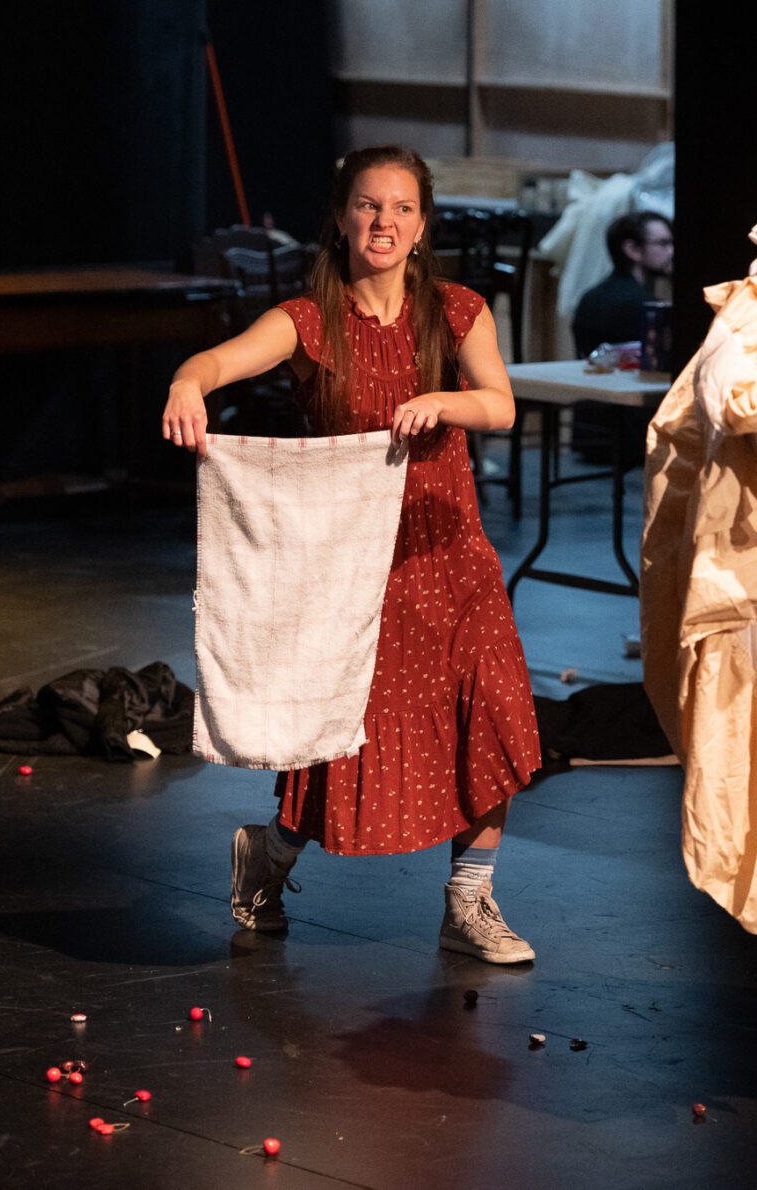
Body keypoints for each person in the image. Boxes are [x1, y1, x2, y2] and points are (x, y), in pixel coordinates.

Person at [161, 144, 543, 964]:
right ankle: (266, 858)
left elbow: (501, 408)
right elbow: (217, 361)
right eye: (369, 205)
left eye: (402, 208)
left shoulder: (458, 310)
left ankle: (468, 902)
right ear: (341, 219)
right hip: (353, 570)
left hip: (451, 554)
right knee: (340, 743)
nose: (385, 221)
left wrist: (446, 400)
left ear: (421, 226)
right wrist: (188, 384)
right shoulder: (307, 322)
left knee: (490, 715)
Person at [570, 210, 674, 358]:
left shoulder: (589, 297)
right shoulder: (645, 307)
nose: (671, 252)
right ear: (632, 250)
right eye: (663, 243)